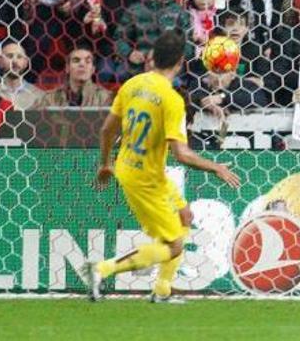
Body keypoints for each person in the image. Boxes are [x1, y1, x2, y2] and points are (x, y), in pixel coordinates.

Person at [81, 31, 241, 303]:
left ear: (153, 57)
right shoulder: (172, 100)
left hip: (139, 167)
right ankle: (102, 269)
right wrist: (215, 167)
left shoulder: (132, 84)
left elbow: (107, 130)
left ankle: (162, 290)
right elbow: (182, 154)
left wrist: (105, 164)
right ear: (180, 62)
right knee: (174, 246)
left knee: (184, 216)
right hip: (146, 178)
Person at [33, 47, 113, 107]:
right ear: (67, 68)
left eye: (87, 61)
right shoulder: (49, 99)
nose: (82, 64)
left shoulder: (106, 98)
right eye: (76, 60)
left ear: (93, 70)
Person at [0, 42, 44, 110]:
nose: (15, 61)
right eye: (10, 56)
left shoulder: (39, 96)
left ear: (26, 63)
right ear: (0, 62)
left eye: (19, 57)